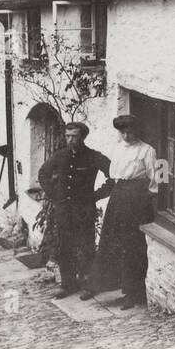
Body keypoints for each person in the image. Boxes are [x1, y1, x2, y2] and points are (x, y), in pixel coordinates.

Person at [82, 114, 158, 309]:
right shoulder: (117, 149)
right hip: (119, 196)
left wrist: (143, 201)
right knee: (112, 240)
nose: (127, 135)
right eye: (123, 131)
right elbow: (114, 174)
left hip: (137, 197)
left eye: (130, 131)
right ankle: (109, 286)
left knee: (132, 246)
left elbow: (154, 180)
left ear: (137, 131)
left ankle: (133, 293)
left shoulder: (147, 150)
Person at [36, 122, 110, 299]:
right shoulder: (60, 156)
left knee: (86, 247)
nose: (70, 140)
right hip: (64, 210)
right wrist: (55, 196)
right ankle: (68, 285)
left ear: (82, 137)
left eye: (74, 136)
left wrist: (96, 195)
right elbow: (43, 174)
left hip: (84, 210)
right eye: (67, 136)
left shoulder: (93, 157)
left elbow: (114, 174)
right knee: (65, 247)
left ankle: (87, 285)